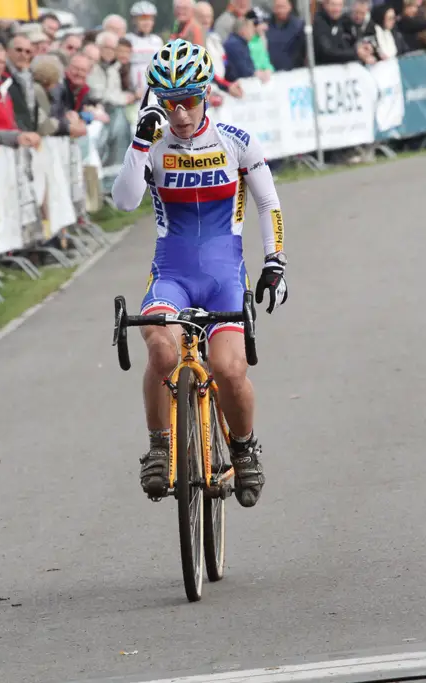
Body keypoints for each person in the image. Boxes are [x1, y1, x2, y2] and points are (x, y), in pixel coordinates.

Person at [111, 39, 289, 509]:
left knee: (230, 369)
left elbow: (268, 203)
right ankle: (159, 445)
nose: (181, 114)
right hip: (171, 274)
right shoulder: (153, 145)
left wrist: (275, 262)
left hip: (224, 275)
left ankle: (245, 447)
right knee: (163, 352)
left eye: (189, 101)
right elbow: (124, 201)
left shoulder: (236, 141)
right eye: (170, 104)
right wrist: (138, 142)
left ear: (206, 93)